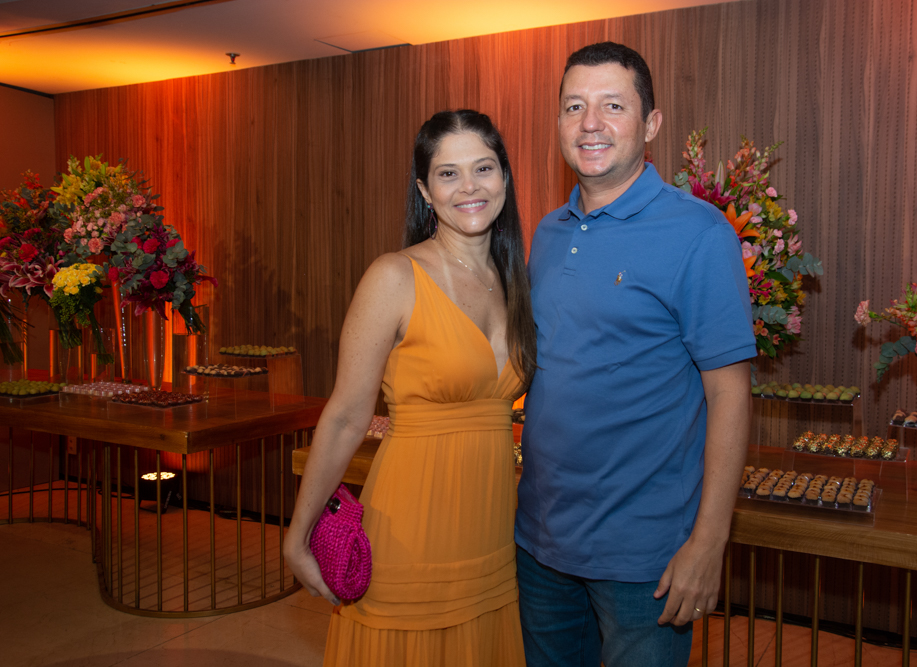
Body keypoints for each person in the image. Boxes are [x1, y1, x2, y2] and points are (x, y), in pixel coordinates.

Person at [516, 42, 756, 666]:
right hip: (541, 541)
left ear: (650, 124)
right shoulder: (548, 232)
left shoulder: (700, 234)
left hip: (644, 558)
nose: (590, 123)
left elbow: (729, 394)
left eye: (613, 106)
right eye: (574, 106)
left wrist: (709, 541)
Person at [284, 109, 535, 666]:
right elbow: (346, 417)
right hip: (411, 525)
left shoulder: (515, 280)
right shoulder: (394, 277)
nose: (469, 187)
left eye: (483, 168)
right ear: (424, 191)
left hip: (492, 529)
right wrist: (297, 536)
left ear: (504, 177)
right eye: (448, 174)